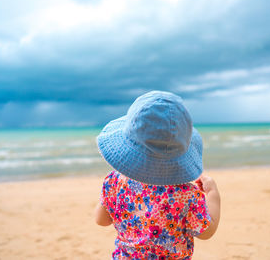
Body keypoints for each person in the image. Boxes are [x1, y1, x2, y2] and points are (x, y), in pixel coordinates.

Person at [94, 91, 221, 259]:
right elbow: (206, 231)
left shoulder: (114, 181)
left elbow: (101, 220)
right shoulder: (187, 196)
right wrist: (213, 194)